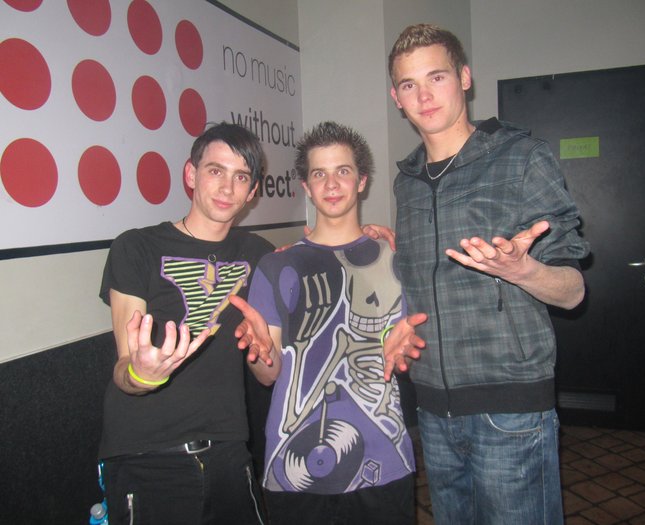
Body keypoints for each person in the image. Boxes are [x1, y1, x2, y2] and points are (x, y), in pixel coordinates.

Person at [383, 24, 590, 525]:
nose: (424, 95)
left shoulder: (521, 158)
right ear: (396, 98)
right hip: (434, 410)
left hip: (510, 409)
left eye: (437, 77)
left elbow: (573, 292)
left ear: (464, 78)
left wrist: (523, 269)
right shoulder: (407, 183)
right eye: (409, 84)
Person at [228, 121, 427, 525]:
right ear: (306, 186)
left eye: (343, 171)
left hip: (384, 458)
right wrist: (260, 353)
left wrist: (410, 352)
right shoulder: (276, 266)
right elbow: (268, 375)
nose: (332, 184)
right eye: (319, 174)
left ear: (361, 181)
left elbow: (412, 351)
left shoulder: (398, 260)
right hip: (294, 468)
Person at [98, 122, 273, 525]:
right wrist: (143, 375)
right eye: (215, 170)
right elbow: (124, 370)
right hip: (146, 456)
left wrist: (376, 236)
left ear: (252, 192)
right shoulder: (137, 247)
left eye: (241, 177)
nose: (227, 187)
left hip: (229, 453)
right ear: (191, 175)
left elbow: (266, 374)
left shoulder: (260, 255)